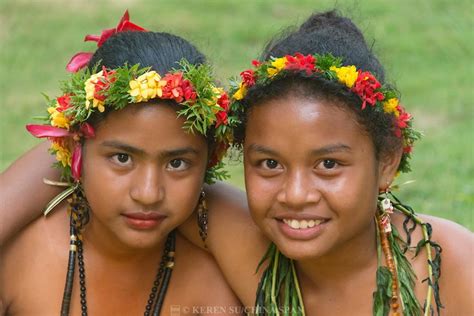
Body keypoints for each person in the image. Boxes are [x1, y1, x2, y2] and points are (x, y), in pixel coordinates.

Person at [2, 10, 473, 316]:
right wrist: (87, 135)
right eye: (268, 164)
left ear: (387, 161)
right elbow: (113, 150)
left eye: (329, 164)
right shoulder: (231, 230)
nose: (295, 194)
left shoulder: (449, 262)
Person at [0, 12, 242, 315]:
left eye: (177, 163)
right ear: (76, 148)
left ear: (210, 160)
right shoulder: (18, 262)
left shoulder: (219, 286)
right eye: (122, 158)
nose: (148, 193)